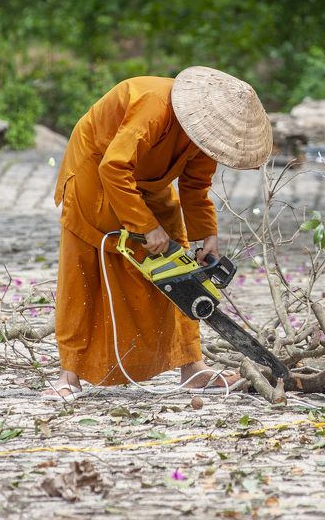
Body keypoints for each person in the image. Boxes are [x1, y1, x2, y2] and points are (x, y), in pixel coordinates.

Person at [43, 66, 273, 399]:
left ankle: (192, 365)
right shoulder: (153, 105)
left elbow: (195, 186)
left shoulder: (205, 139)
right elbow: (114, 166)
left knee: (178, 266)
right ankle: (69, 375)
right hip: (96, 170)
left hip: (149, 183)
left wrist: (207, 236)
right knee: (85, 270)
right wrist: (146, 226)